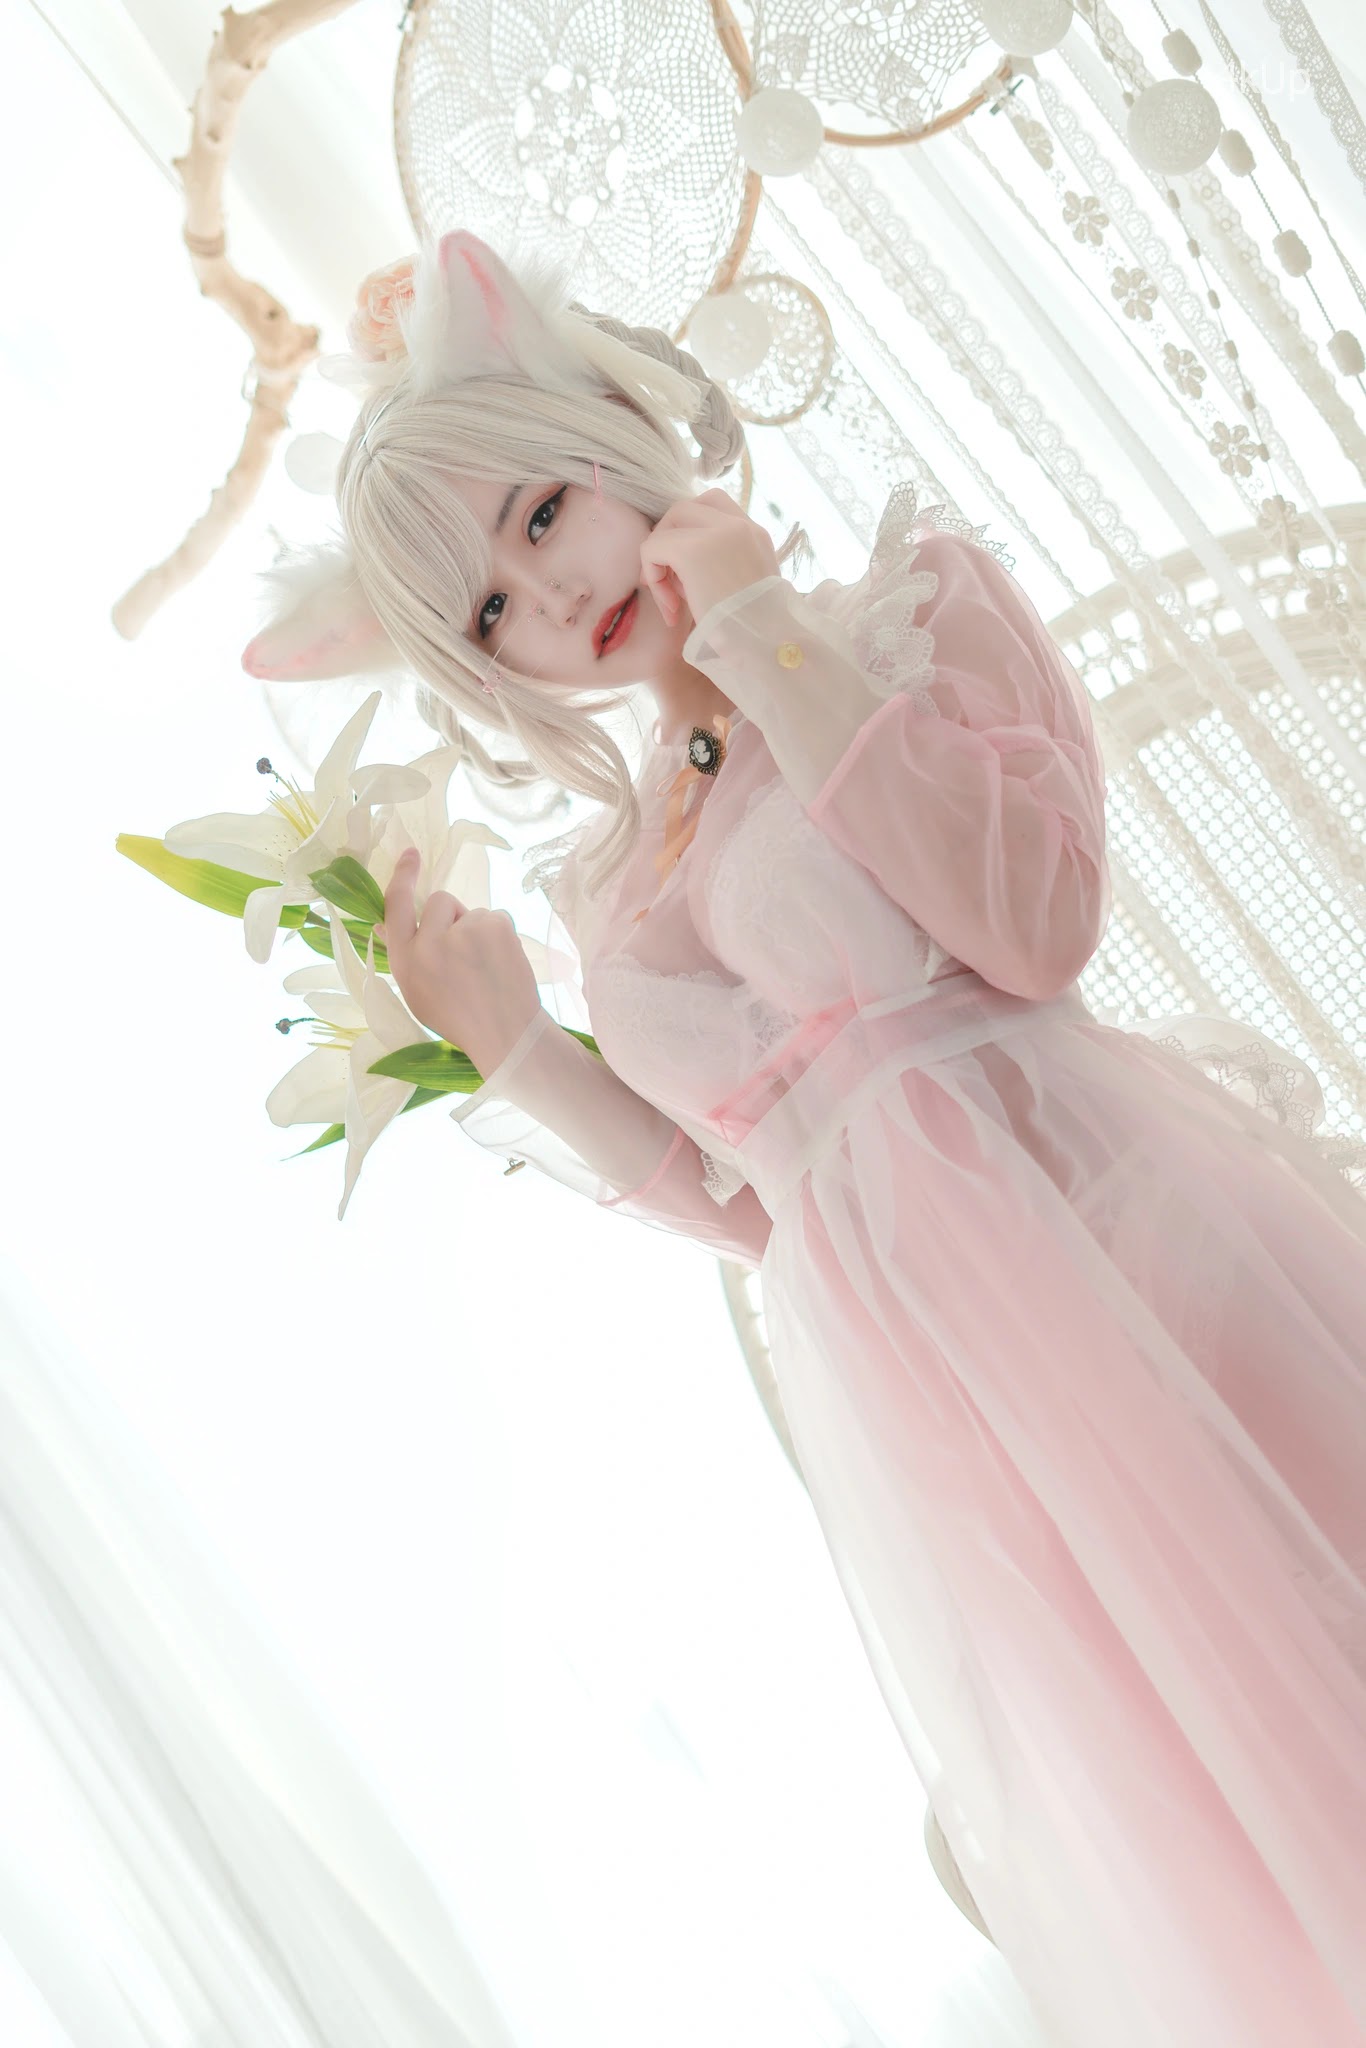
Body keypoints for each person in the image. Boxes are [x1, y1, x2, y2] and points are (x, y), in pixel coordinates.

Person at [244, 232, 1366, 2047]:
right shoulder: (612, 880)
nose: (552, 599)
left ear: (609, 436)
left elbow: (1032, 927)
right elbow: (777, 1210)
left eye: (542, 514)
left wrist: (762, 631)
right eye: (492, 611)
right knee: (1225, 1807)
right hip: (953, 1400)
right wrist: (520, 1051)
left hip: (1123, 1258)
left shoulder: (906, 611)